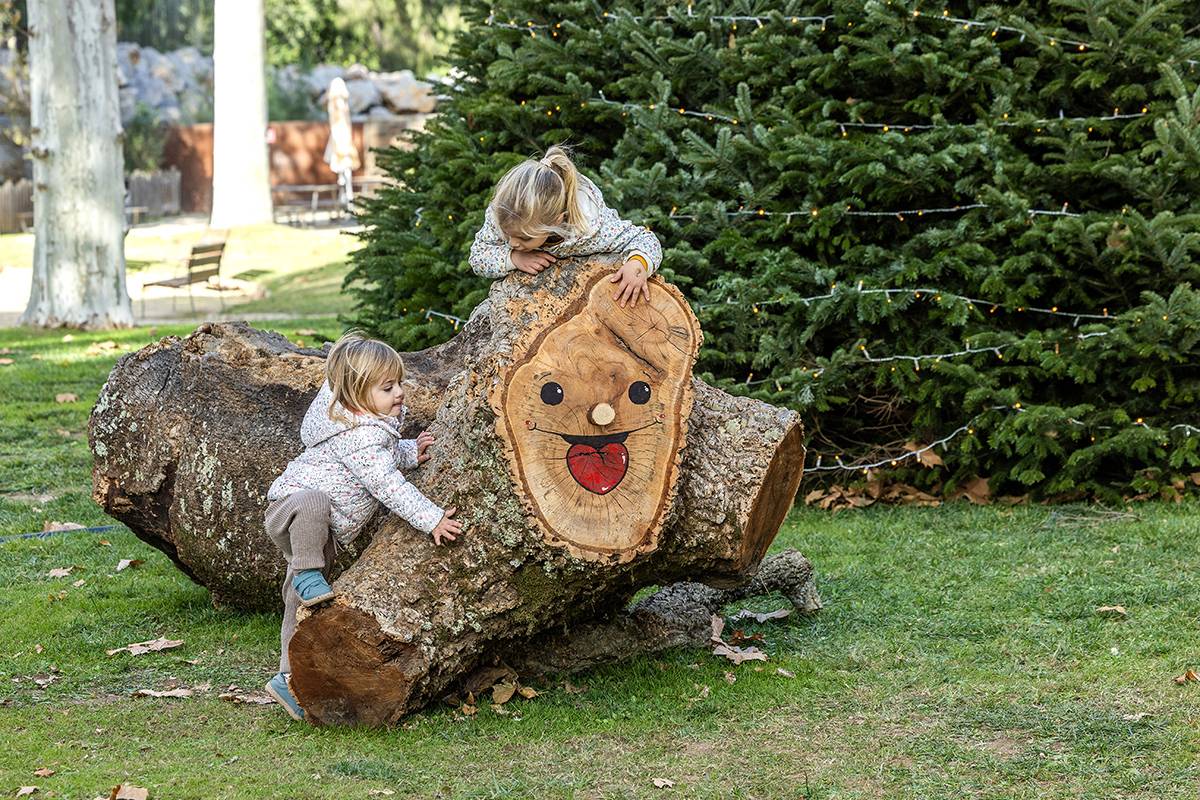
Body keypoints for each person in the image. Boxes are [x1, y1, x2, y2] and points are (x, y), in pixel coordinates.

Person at [261, 332, 462, 721]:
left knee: (300, 604)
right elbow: (385, 484)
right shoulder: (361, 434)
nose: (400, 393)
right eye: (387, 387)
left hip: (323, 536)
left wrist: (408, 451)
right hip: (292, 512)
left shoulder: (368, 428)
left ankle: (288, 678)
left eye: (399, 383)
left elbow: (378, 460)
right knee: (313, 502)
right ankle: (306, 572)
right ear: (354, 395)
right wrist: (432, 518)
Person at [469, 145, 663, 307]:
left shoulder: (591, 230)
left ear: (556, 221)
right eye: (508, 234)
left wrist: (638, 263)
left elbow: (644, 238)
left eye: (524, 238)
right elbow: (478, 256)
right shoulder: (506, 214)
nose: (512, 242)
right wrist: (513, 257)